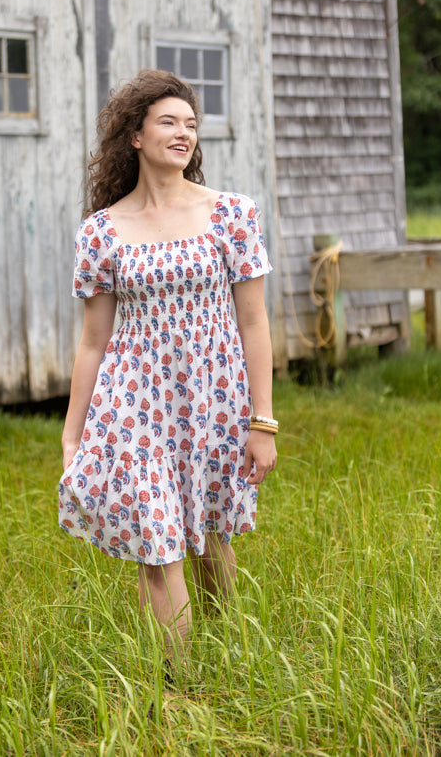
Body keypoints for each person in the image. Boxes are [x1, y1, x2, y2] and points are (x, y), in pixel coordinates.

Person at [58, 69, 277, 674]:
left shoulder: (232, 214)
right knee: (158, 543)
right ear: (134, 134)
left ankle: (228, 656)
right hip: (132, 404)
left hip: (213, 398)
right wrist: (74, 433)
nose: (183, 133)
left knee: (210, 536)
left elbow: (254, 324)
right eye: (168, 122)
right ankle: (181, 687)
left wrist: (263, 420)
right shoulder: (102, 231)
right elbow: (93, 341)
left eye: (190, 124)